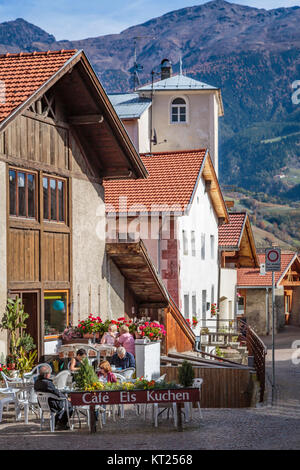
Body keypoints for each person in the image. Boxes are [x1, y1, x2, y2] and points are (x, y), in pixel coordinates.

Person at [34, 365, 73, 430]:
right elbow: (57, 393)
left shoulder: (37, 382)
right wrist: (66, 398)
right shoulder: (47, 383)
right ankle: (61, 423)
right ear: (46, 375)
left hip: (43, 404)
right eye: (49, 373)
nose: (50, 375)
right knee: (69, 405)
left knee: (65, 404)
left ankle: (57, 422)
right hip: (52, 404)